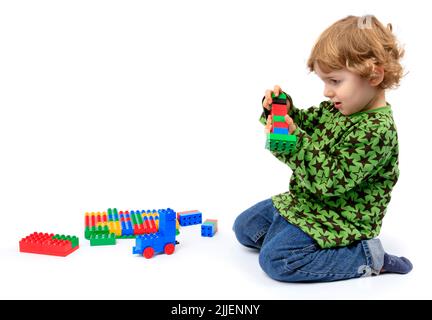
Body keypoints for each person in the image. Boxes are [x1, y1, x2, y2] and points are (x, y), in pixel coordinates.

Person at [233, 15, 413, 282]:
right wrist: (283, 111)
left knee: (276, 261)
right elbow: (306, 121)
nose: (327, 92)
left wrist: (293, 144)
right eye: (324, 82)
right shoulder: (339, 108)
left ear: (374, 75)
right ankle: (296, 237)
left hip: (338, 217)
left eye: (335, 81)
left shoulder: (377, 131)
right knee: (244, 228)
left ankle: (367, 255)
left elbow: (330, 181)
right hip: (307, 202)